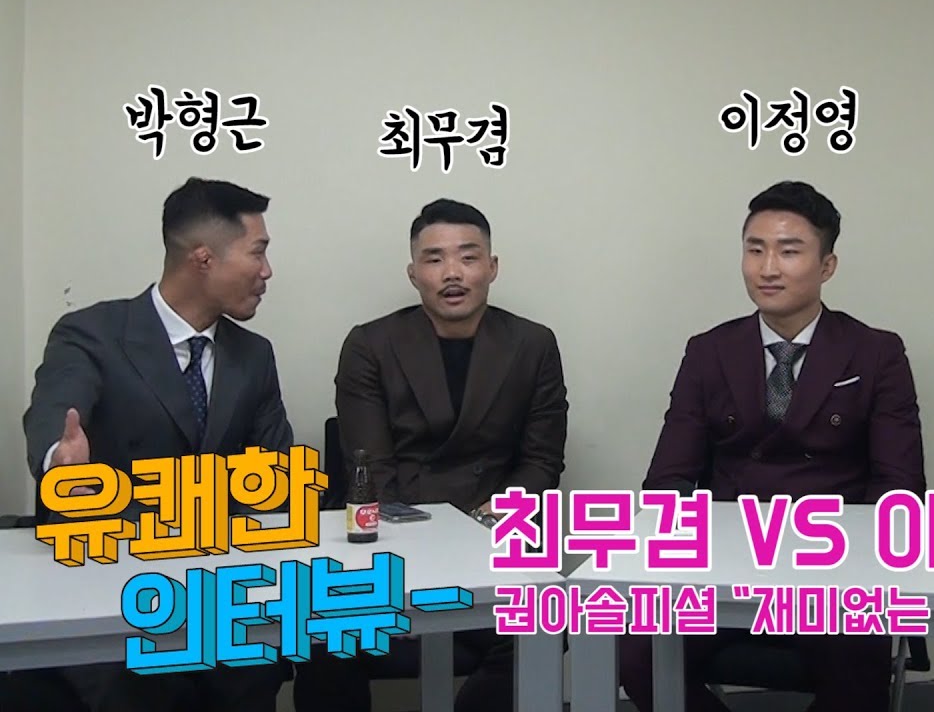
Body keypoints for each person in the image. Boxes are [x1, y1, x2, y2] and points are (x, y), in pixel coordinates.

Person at [619, 181, 927, 712]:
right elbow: (668, 479)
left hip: (833, 566)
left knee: (859, 672)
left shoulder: (875, 352)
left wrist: (858, 566)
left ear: (827, 266)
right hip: (726, 563)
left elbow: (899, 487)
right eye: (755, 249)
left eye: (789, 251)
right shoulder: (710, 351)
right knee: (636, 654)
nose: (767, 268)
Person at [22, 177, 292, 712]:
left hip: (219, 588)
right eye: (257, 252)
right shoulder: (91, 334)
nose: (267, 271)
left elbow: (275, 477)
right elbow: (56, 415)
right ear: (203, 258)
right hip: (111, 590)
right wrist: (62, 464)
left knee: (255, 667)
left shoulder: (253, 355)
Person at [291, 198, 569, 712]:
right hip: (393, 537)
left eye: (468, 256)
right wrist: (428, 550)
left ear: (492, 267)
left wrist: (489, 520)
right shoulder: (371, 345)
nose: (452, 273)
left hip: (491, 535)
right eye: (434, 258)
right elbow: (370, 468)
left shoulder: (532, 344)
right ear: (413, 273)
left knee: (547, 621)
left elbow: (542, 462)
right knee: (323, 635)